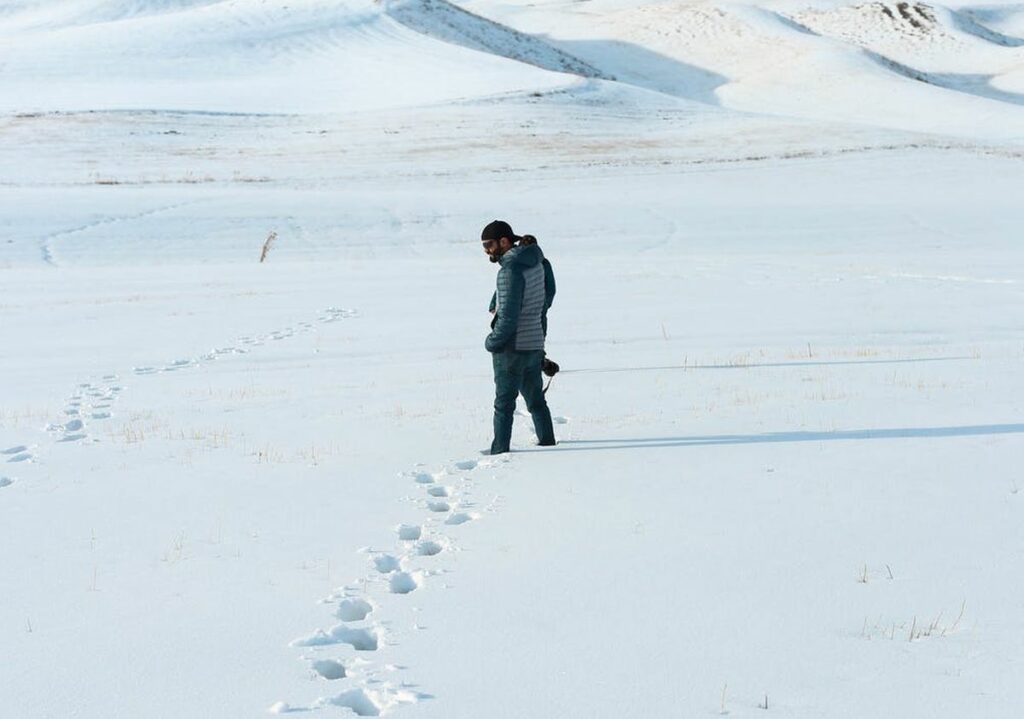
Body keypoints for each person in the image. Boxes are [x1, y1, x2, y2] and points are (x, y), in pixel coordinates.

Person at [481, 220, 556, 455]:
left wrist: (492, 341)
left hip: (511, 348)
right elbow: (548, 296)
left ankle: (499, 453)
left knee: (503, 405)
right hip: (534, 343)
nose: (486, 251)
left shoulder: (509, 271)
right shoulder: (537, 263)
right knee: (536, 401)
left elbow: (509, 318)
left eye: (489, 244)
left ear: (504, 241)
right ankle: (547, 444)